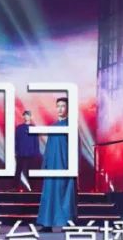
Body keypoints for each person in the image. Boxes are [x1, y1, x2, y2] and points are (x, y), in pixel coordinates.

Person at [36, 97, 78, 232]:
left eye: (63, 106)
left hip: (65, 165)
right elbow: (48, 147)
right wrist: (45, 165)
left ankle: (68, 223)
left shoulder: (71, 126)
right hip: (52, 166)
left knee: (66, 194)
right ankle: (47, 223)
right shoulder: (53, 127)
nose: (60, 109)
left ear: (68, 108)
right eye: (58, 106)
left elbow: (75, 148)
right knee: (49, 194)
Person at [14, 110, 41, 192]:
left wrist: (37, 153)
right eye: (25, 115)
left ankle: (33, 188)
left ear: (31, 117)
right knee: (18, 170)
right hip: (21, 153)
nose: (26, 117)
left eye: (28, 115)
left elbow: (36, 141)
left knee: (31, 171)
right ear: (23, 116)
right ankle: (16, 187)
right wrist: (16, 151)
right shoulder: (19, 128)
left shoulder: (34, 128)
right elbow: (16, 140)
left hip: (31, 153)